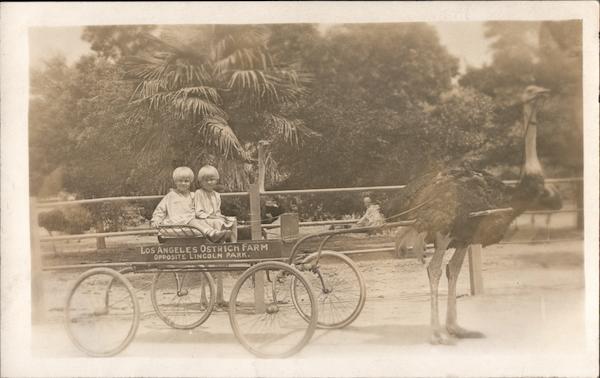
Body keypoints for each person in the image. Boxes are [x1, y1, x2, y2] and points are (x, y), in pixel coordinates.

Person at [151, 166, 230, 243]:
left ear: (190, 182)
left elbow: (201, 209)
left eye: (186, 181)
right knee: (192, 220)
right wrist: (156, 220)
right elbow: (160, 210)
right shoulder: (171, 196)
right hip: (176, 221)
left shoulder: (193, 195)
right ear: (175, 182)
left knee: (203, 221)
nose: (183, 183)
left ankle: (218, 236)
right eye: (180, 181)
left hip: (191, 221)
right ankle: (210, 232)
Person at [194, 165, 238, 242]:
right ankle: (220, 244)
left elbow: (217, 212)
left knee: (233, 220)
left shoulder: (216, 195)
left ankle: (234, 243)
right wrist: (214, 217)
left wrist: (221, 216)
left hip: (215, 217)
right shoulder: (199, 193)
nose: (209, 182)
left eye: (211, 179)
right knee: (218, 222)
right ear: (200, 182)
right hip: (204, 219)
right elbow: (199, 213)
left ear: (216, 180)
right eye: (206, 180)